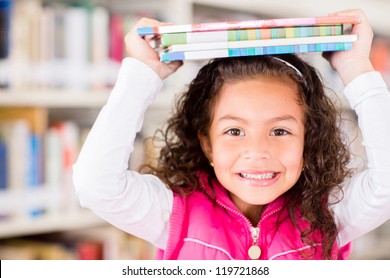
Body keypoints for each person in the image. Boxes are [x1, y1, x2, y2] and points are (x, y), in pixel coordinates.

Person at [73, 9, 390, 260]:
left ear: (308, 141)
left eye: (280, 130)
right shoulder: (174, 214)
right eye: (234, 131)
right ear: (207, 144)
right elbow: (95, 184)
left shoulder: (330, 214)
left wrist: (356, 69)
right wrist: (143, 74)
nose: (257, 150)